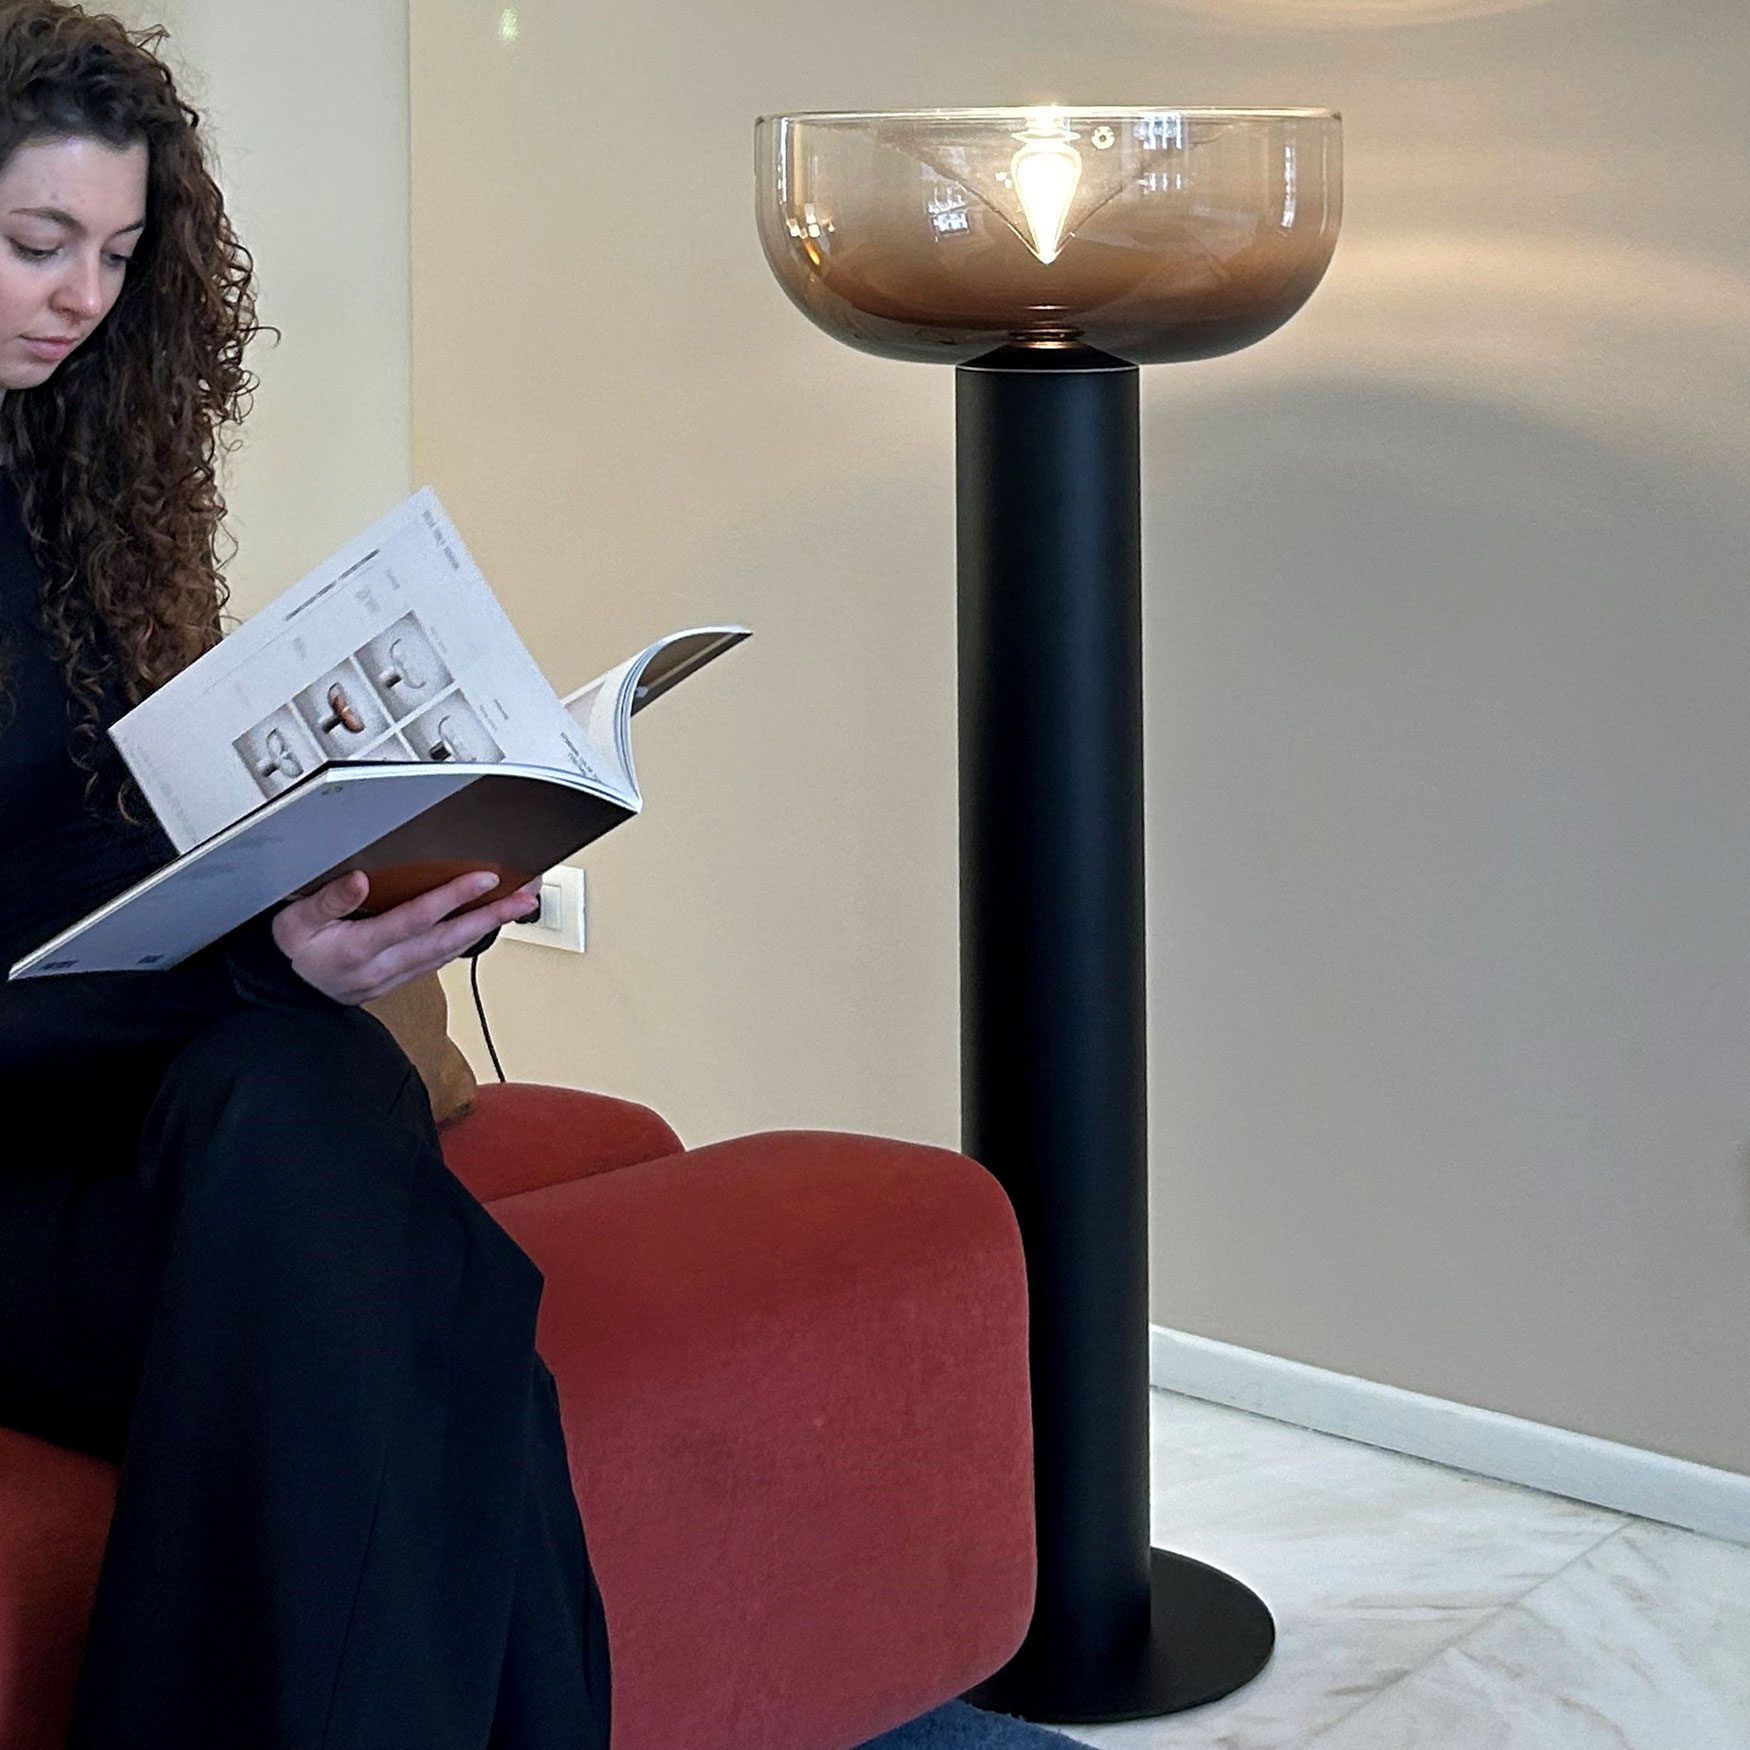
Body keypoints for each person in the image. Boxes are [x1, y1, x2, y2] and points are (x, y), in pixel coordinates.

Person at [0, 4, 612, 1744]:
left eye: (120, 253)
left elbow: (98, 862)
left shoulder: (64, 487)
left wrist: (330, 878)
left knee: (312, 1108)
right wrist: (247, 964)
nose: (83, 296)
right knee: (426, 1302)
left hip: (136, 1112)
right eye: (38, 242)